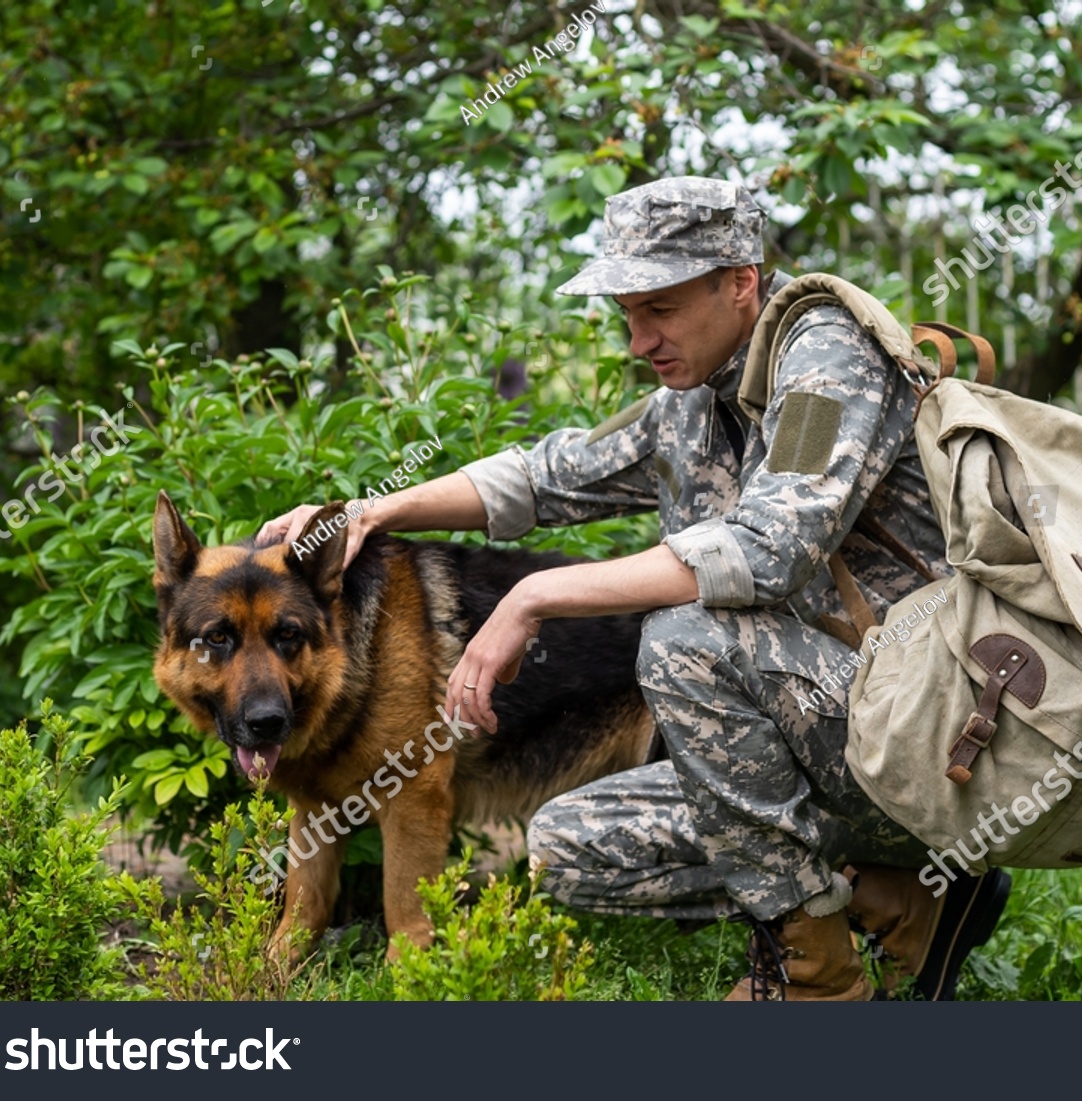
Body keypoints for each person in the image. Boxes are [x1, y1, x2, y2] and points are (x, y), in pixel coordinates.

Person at [261, 175, 1010, 1001]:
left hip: (924, 724)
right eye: (626, 314)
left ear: (739, 283)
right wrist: (373, 510)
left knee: (685, 640)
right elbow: (542, 476)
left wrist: (532, 598)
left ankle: (815, 980)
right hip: (817, 728)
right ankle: (904, 899)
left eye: (658, 308)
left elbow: (768, 548)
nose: (636, 340)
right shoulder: (692, 399)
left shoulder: (828, 357)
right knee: (567, 843)